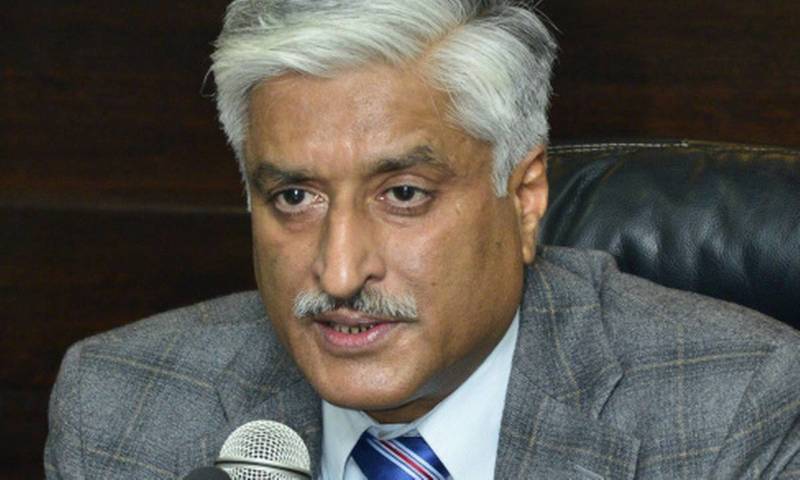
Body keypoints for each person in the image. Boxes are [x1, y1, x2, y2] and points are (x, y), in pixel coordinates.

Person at [45, 1, 800, 479]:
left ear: (525, 198)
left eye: (403, 194)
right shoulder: (118, 411)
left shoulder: (733, 411)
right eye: (295, 197)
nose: (340, 272)